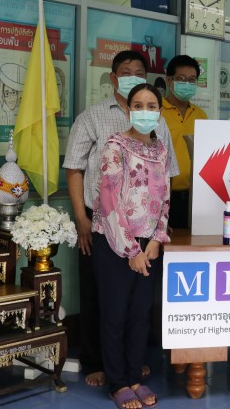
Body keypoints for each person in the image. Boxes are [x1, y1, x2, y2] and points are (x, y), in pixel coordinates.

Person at [64, 50, 179, 388]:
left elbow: (166, 185)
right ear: (114, 78)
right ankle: (102, 367)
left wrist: (157, 236)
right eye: (126, 72)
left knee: (138, 308)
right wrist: (82, 218)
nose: (145, 111)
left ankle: (131, 367)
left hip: (148, 232)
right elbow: (80, 172)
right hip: (107, 227)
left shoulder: (159, 136)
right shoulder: (97, 122)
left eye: (139, 72)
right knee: (102, 301)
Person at [93, 83, 168, 409]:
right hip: (115, 242)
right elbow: (109, 200)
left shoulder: (160, 148)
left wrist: (157, 238)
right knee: (115, 314)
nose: (144, 111)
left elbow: (164, 196)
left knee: (141, 314)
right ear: (128, 110)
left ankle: (135, 376)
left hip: (148, 243)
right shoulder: (115, 146)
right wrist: (131, 250)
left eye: (151, 106)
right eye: (138, 105)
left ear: (159, 112)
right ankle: (118, 383)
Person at [161, 55, 208, 228]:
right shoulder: (156, 112)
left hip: (194, 196)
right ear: (169, 80)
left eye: (192, 80)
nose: (187, 84)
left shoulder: (201, 115)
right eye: (181, 79)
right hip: (161, 196)